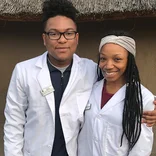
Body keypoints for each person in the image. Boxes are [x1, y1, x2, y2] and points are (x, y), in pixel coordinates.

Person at [3, 0, 156, 156]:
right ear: (44, 38)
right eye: (53, 33)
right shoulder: (24, 71)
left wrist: (150, 108)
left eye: (68, 33)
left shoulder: (91, 70)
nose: (62, 40)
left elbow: (120, 90)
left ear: (76, 38)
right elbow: (14, 123)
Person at [78, 31, 155, 156]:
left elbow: (140, 150)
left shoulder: (143, 98)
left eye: (117, 59)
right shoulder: (90, 88)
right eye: (103, 59)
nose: (108, 65)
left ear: (129, 61)